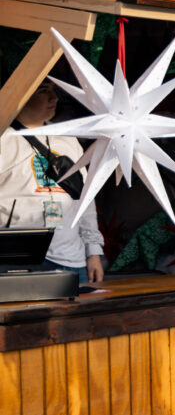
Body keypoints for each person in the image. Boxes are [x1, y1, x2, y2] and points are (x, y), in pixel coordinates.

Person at [1, 84, 104, 283]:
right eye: (43, 91)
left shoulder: (67, 137)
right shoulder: (3, 139)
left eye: (54, 91)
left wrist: (93, 252)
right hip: (19, 260)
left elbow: (85, 197)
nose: (54, 98)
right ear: (22, 95)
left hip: (72, 258)